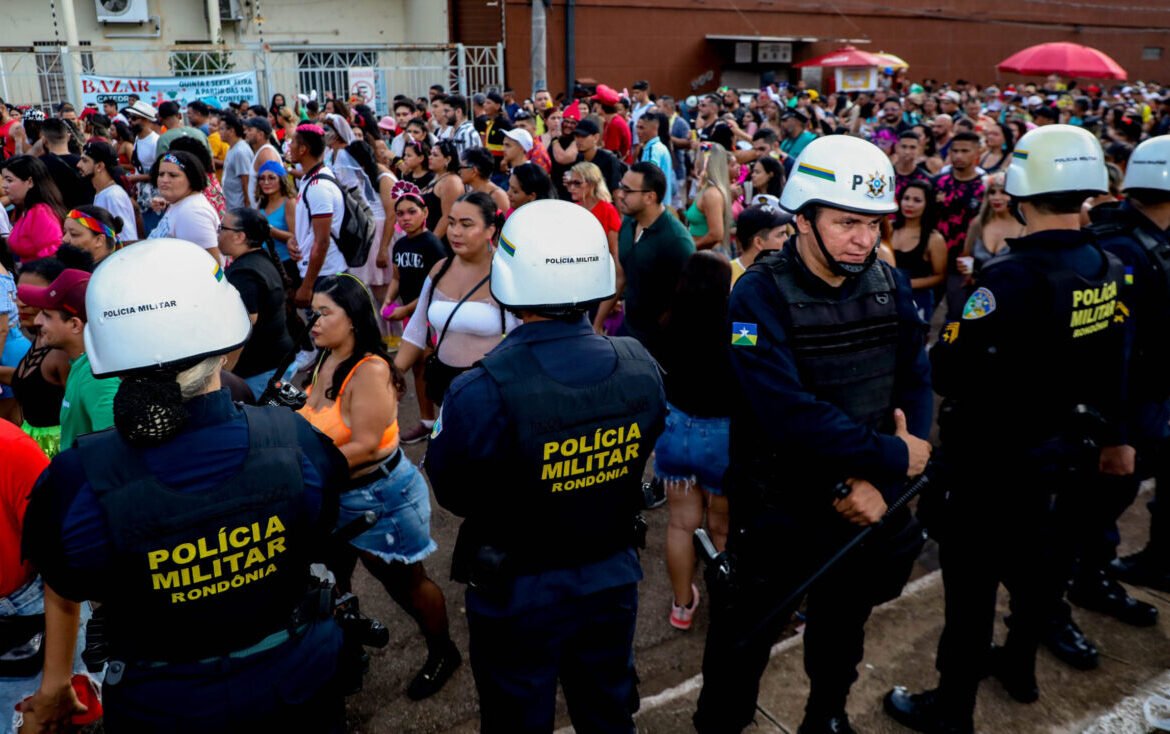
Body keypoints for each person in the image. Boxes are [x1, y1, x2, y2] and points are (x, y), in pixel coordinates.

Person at [19, 238, 349, 732]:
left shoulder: (75, 483)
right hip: (295, 684)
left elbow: (67, 581)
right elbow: (322, 525)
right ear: (224, 337)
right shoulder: (295, 442)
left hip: (164, 704)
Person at [885, 125, 1132, 734]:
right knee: (1038, 576)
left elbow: (950, 366)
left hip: (993, 466)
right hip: (1066, 456)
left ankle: (952, 708)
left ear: (1021, 193)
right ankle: (1019, 667)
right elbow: (1115, 361)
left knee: (969, 597)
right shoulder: (1109, 264)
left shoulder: (1007, 278)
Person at [694, 135, 933, 734]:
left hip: (863, 502)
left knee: (843, 625)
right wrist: (888, 458)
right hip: (781, 504)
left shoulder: (887, 281)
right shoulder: (757, 293)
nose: (864, 238)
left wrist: (883, 476)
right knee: (745, 632)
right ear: (802, 219)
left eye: (873, 224)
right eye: (847, 222)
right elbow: (784, 411)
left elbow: (914, 379)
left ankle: (825, 716)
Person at [426, 198, 666, 733]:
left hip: (519, 587)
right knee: (607, 709)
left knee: (517, 716)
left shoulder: (479, 389)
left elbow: (453, 491)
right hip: (609, 574)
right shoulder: (640, 365)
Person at [299, 273, 460, 700]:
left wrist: (304, 467)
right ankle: (351, 654)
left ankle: (443, 652)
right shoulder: (324, 358)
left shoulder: (369, 369)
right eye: (311, 311)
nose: (312, 320)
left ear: (352, 319)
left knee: (406, 584)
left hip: (379, 497)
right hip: (335, 497)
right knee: (333, 583)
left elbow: (367, 445)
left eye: (323, 312)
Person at [1067, 136, 1170, 612]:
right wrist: (1117, 433)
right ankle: (1086, 580)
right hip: (1126, 408)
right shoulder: (1124, 249)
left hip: (1150, 398)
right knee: (1101, 501)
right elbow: (1115, 352)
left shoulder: (1150, 241)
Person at [657, 251, 734, 631]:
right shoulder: (736, 326)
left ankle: (682, 605)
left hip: (675, 429)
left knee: (680, 525)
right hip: (721, 435)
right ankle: (726, 600)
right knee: (722, 528)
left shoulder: (669, 321)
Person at [395, 192, 519, 410]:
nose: (455, 232)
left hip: (494, 391)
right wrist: (390, 376)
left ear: (490, 229)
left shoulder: (507, 273)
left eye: (466, 224)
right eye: (451, 223)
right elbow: (416, 330)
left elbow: (527, 337)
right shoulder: (440, 269)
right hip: (446, 388)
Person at [16, 268, 118, 451]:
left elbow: (114, 452)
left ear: (74, 324)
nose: (38, 321)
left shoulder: (98, 378)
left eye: (47, 315)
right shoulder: (80, 365)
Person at [381, 189, 447, 443]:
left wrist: (406, 309)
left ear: (425, 213)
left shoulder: (432, 245)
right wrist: (388, 299)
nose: (405, 218)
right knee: (419, 368)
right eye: (400, 214)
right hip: (411, 318)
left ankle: (439, 422)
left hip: (431, 318)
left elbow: (437, 287)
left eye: (412, 212)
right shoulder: (400, 245)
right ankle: (427, 421)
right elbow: (397, 277)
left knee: (426, 369)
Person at [613, 162, 694, 358]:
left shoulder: (677, 241)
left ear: (650, 197)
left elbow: (687, 299)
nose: (620, 194)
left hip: (661, 343)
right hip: (629, 329)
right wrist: (597, 323)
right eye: (620, 186)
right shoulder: (628, 222)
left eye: (627, 190)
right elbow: (621, 275)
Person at [218, 207, 294, 396]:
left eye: (222, 228)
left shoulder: (245, 273)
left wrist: (225, 372)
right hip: (275, 361)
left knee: (263, 422)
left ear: (239, 236)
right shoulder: (256, 259)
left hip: (261, 371)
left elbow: (243, 325)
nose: (218, 233)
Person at [3, 257, 70, 457]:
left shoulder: (61, 351)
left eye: (32, 294)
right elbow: (31, 380)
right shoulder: (40, 338)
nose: (21, 303)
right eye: (19, 294)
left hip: (55, 453)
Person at [287, 123, 349, 308]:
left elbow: (322, 241)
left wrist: (307, 286)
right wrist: (295, 239)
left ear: (303, 149)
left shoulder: (319, 187)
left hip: (325, 275)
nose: (289, 146)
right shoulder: (309, 178)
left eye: (292, 142)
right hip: (318, 273)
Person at [934, 131, 986, 317]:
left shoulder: (986, 187)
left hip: (964, 263)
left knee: (957, 316)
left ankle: (949, 345)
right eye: (954, 151)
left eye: (965, 151)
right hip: (933, 261)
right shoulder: (938, 183)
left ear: (977, 153)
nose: (958, 156)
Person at [147, 151, 222, 261]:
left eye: (173, 175)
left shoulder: (193, 213)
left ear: (191, 178)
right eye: (161, 174)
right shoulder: (181, 202)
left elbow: (210, 265)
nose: (164, 180)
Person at [891, 180, 948, 322]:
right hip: (886, 297)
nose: (909, 204)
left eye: (917, 200)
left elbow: (940, 276)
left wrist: (906, 284)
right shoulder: (889, 228)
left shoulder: (934, 239)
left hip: (916, 300)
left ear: (927, 204)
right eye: (906, 198)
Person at [2, 155, 66, 261]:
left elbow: (52, 254)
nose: (4, 185)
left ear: (30, 182)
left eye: (9, 180)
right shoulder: (26, 210)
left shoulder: (41, 212)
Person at [77, 140, 139, 241]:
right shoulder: (103, 192)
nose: (78, 164)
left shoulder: (113, 196)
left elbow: (126, 239)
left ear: (100, 166)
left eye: (85, 161)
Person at [964, 172, 1024, 273]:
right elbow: (966, 257)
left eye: (1003, 192)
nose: (996, 197)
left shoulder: (1025, 227)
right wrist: (968, 274)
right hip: (980, 286)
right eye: (992, 192)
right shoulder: (979, 222)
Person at [254, 159, 298, 282]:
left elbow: (294, 236)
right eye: (262, 178)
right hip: (266, 263)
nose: (266, 182)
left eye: (271, 178)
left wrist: (269, 229)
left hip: (286, 264)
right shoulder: (262, 203)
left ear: (281, 180)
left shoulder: (289, 202)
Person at [730, 201, 791, 287]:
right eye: (780, 234)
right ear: (758, 242)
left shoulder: (788, 274)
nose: (786, 239)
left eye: (786, 233)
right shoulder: (726, 275)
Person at [689, 144, 733, 252]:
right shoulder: (707, 189)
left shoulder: (712, 194)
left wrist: (691, 248)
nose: (695, 162)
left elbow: (716, 234)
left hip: (706, 259)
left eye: (697, 157)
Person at [421, 139, 465, 243]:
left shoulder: (451, 181)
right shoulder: (437, 177)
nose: (430, 157)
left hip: (441, 242)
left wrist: (431, 242)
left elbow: (447, 217)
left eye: (435, 155)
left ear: (448, 159)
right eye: (430, 154)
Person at [459, 148, 509, 214]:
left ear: (474, 171)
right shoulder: (470, 193)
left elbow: (506, 222)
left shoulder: (498, 196)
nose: (459, 171)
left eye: (461, 167)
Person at [219, 111, 251, 211]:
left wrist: (247, 205)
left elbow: (246, 180)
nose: (219, 132)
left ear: (231, 131)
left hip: (239, 206)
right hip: (231, 204)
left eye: (222, 129)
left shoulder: (240, 151)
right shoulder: (232, 148)